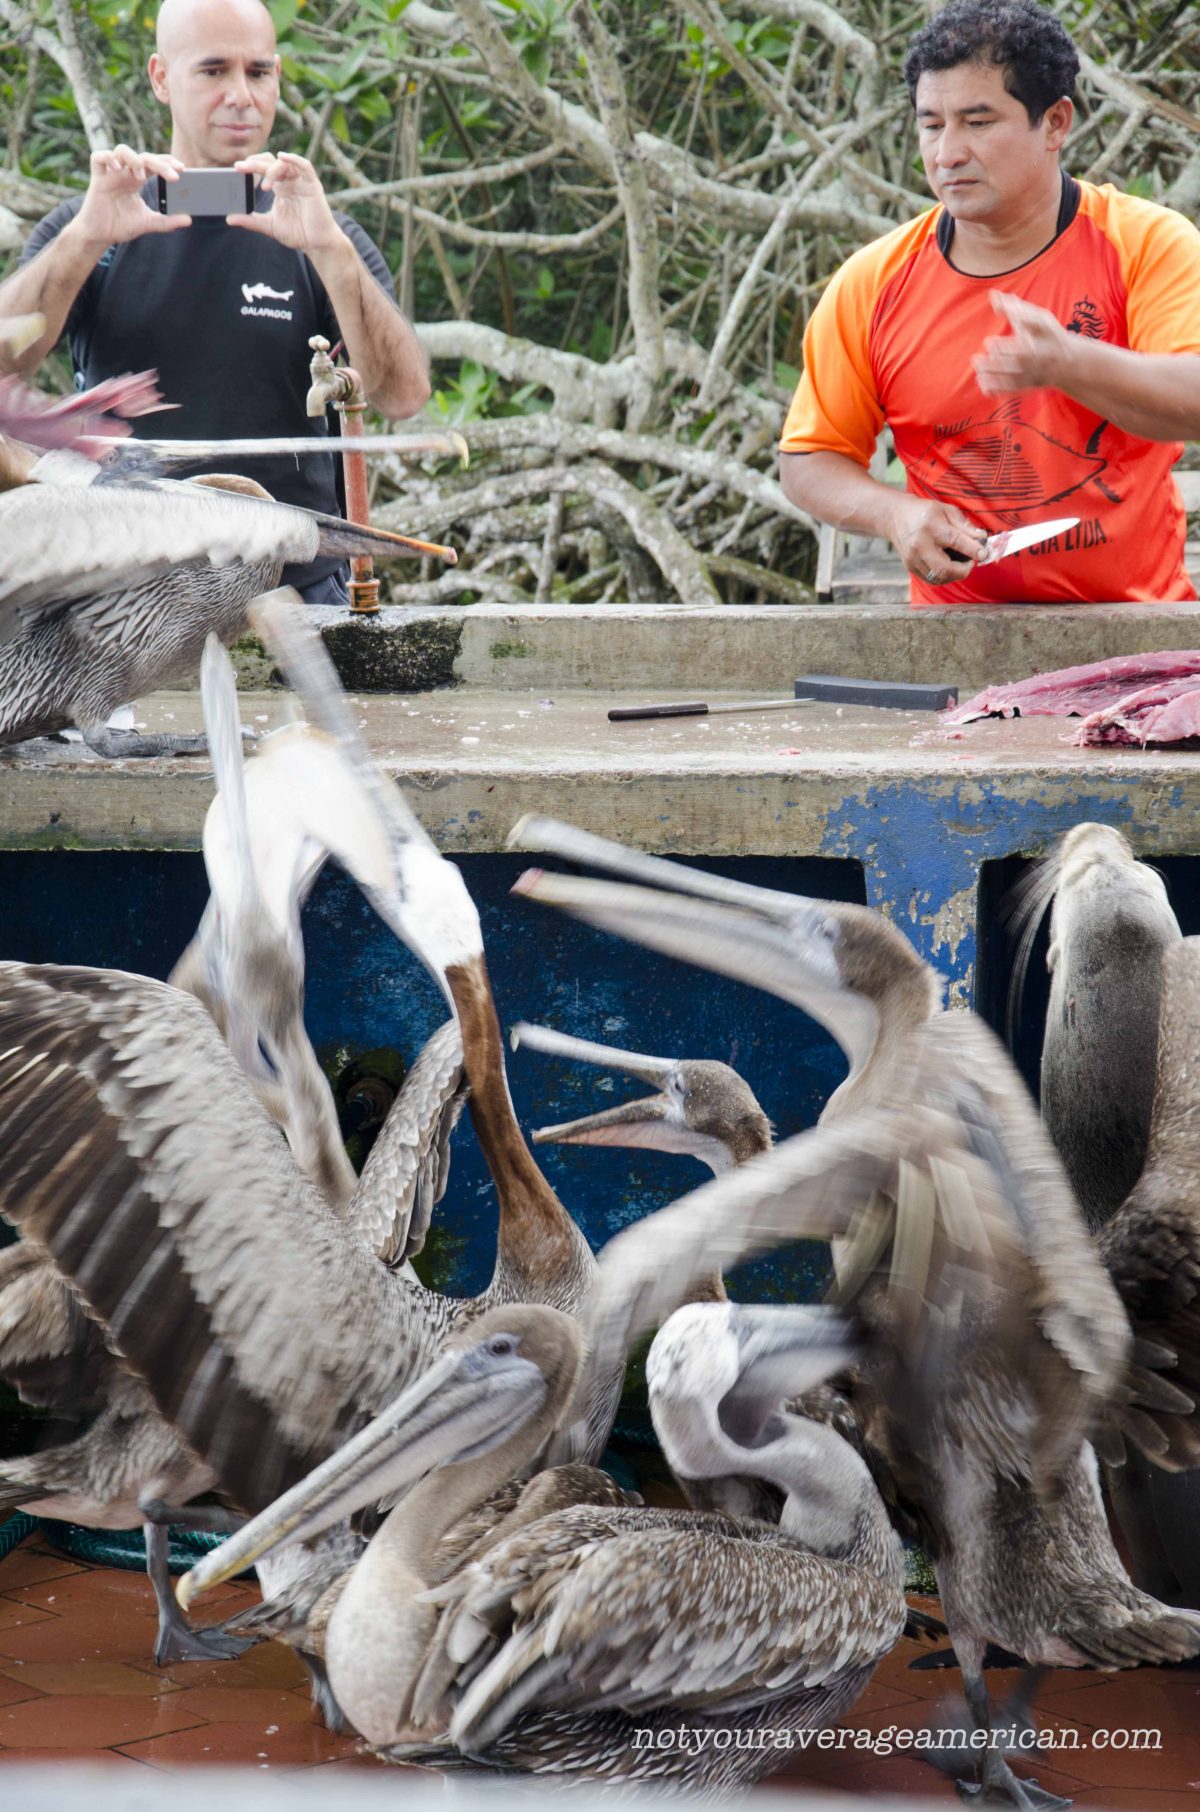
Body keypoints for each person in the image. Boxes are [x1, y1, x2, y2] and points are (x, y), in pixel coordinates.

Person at [0, 0, 430, 603]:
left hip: (294, 588)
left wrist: (329, 248)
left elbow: (402, 396)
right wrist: (85, 239)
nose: (240, 95)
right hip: (119, 593)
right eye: (213, 70)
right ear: (160, 78)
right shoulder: (89, 226)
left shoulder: (324, 233)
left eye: (258, 72)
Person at [779, 0, 1200, 606]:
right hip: (955, 646)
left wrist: (1071, 363)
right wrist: (893, 513)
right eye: (931, 124)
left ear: (1055, 123)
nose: (947, 153)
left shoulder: (1146, 244)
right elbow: (809, 457)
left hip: (1136, 633)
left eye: (977, 122)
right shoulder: (872, 281)